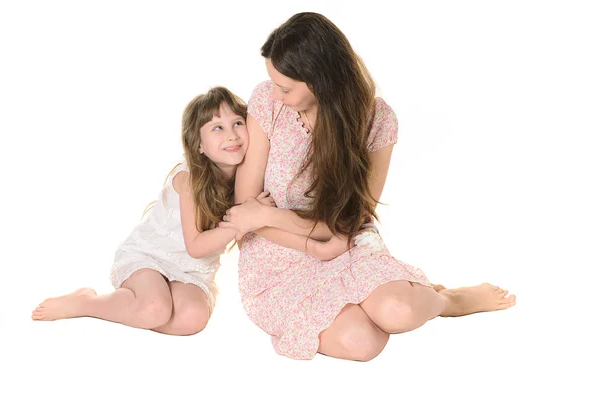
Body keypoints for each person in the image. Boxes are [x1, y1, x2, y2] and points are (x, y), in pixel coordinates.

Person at [221, 12, 517, 360]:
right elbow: (244, 212)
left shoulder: (376, 120)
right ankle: (383, 299)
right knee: (363, 343)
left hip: (345, 245)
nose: (276, 94)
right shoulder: (267, 103)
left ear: (321, 81)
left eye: (285, 88)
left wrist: (266, 217)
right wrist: (306, 242)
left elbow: (343, 225)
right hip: (275, 257)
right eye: (273, 83)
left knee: (398, 311)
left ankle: (447, 299)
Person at [31, 86, 273, 336]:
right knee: (154, 309)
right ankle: (87, 302)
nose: (232, 135)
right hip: (150, 257)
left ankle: (134, 305)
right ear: (199, 144)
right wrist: (244, 221)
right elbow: (197, 246)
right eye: (217, 128)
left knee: (193, 319)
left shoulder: (247, 180)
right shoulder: (190, 179)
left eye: (237, 123)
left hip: (191, 271)